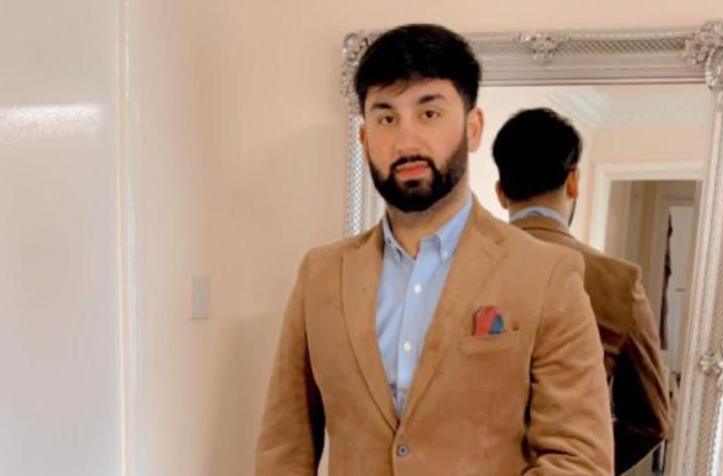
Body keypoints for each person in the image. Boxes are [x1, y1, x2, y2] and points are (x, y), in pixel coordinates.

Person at [256, 25, 613, 475]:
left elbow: (577, 460)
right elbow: (283, 447)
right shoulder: (321, 275)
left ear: (473, 127)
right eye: (386, 118)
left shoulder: (545, 273)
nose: (406, 142)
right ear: (365, 140)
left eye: (429, 114)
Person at [492, 107, 671, 474]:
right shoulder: (617, 281)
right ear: (573, 182)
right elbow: (652, 420)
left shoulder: (460, 270)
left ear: (500, 192)